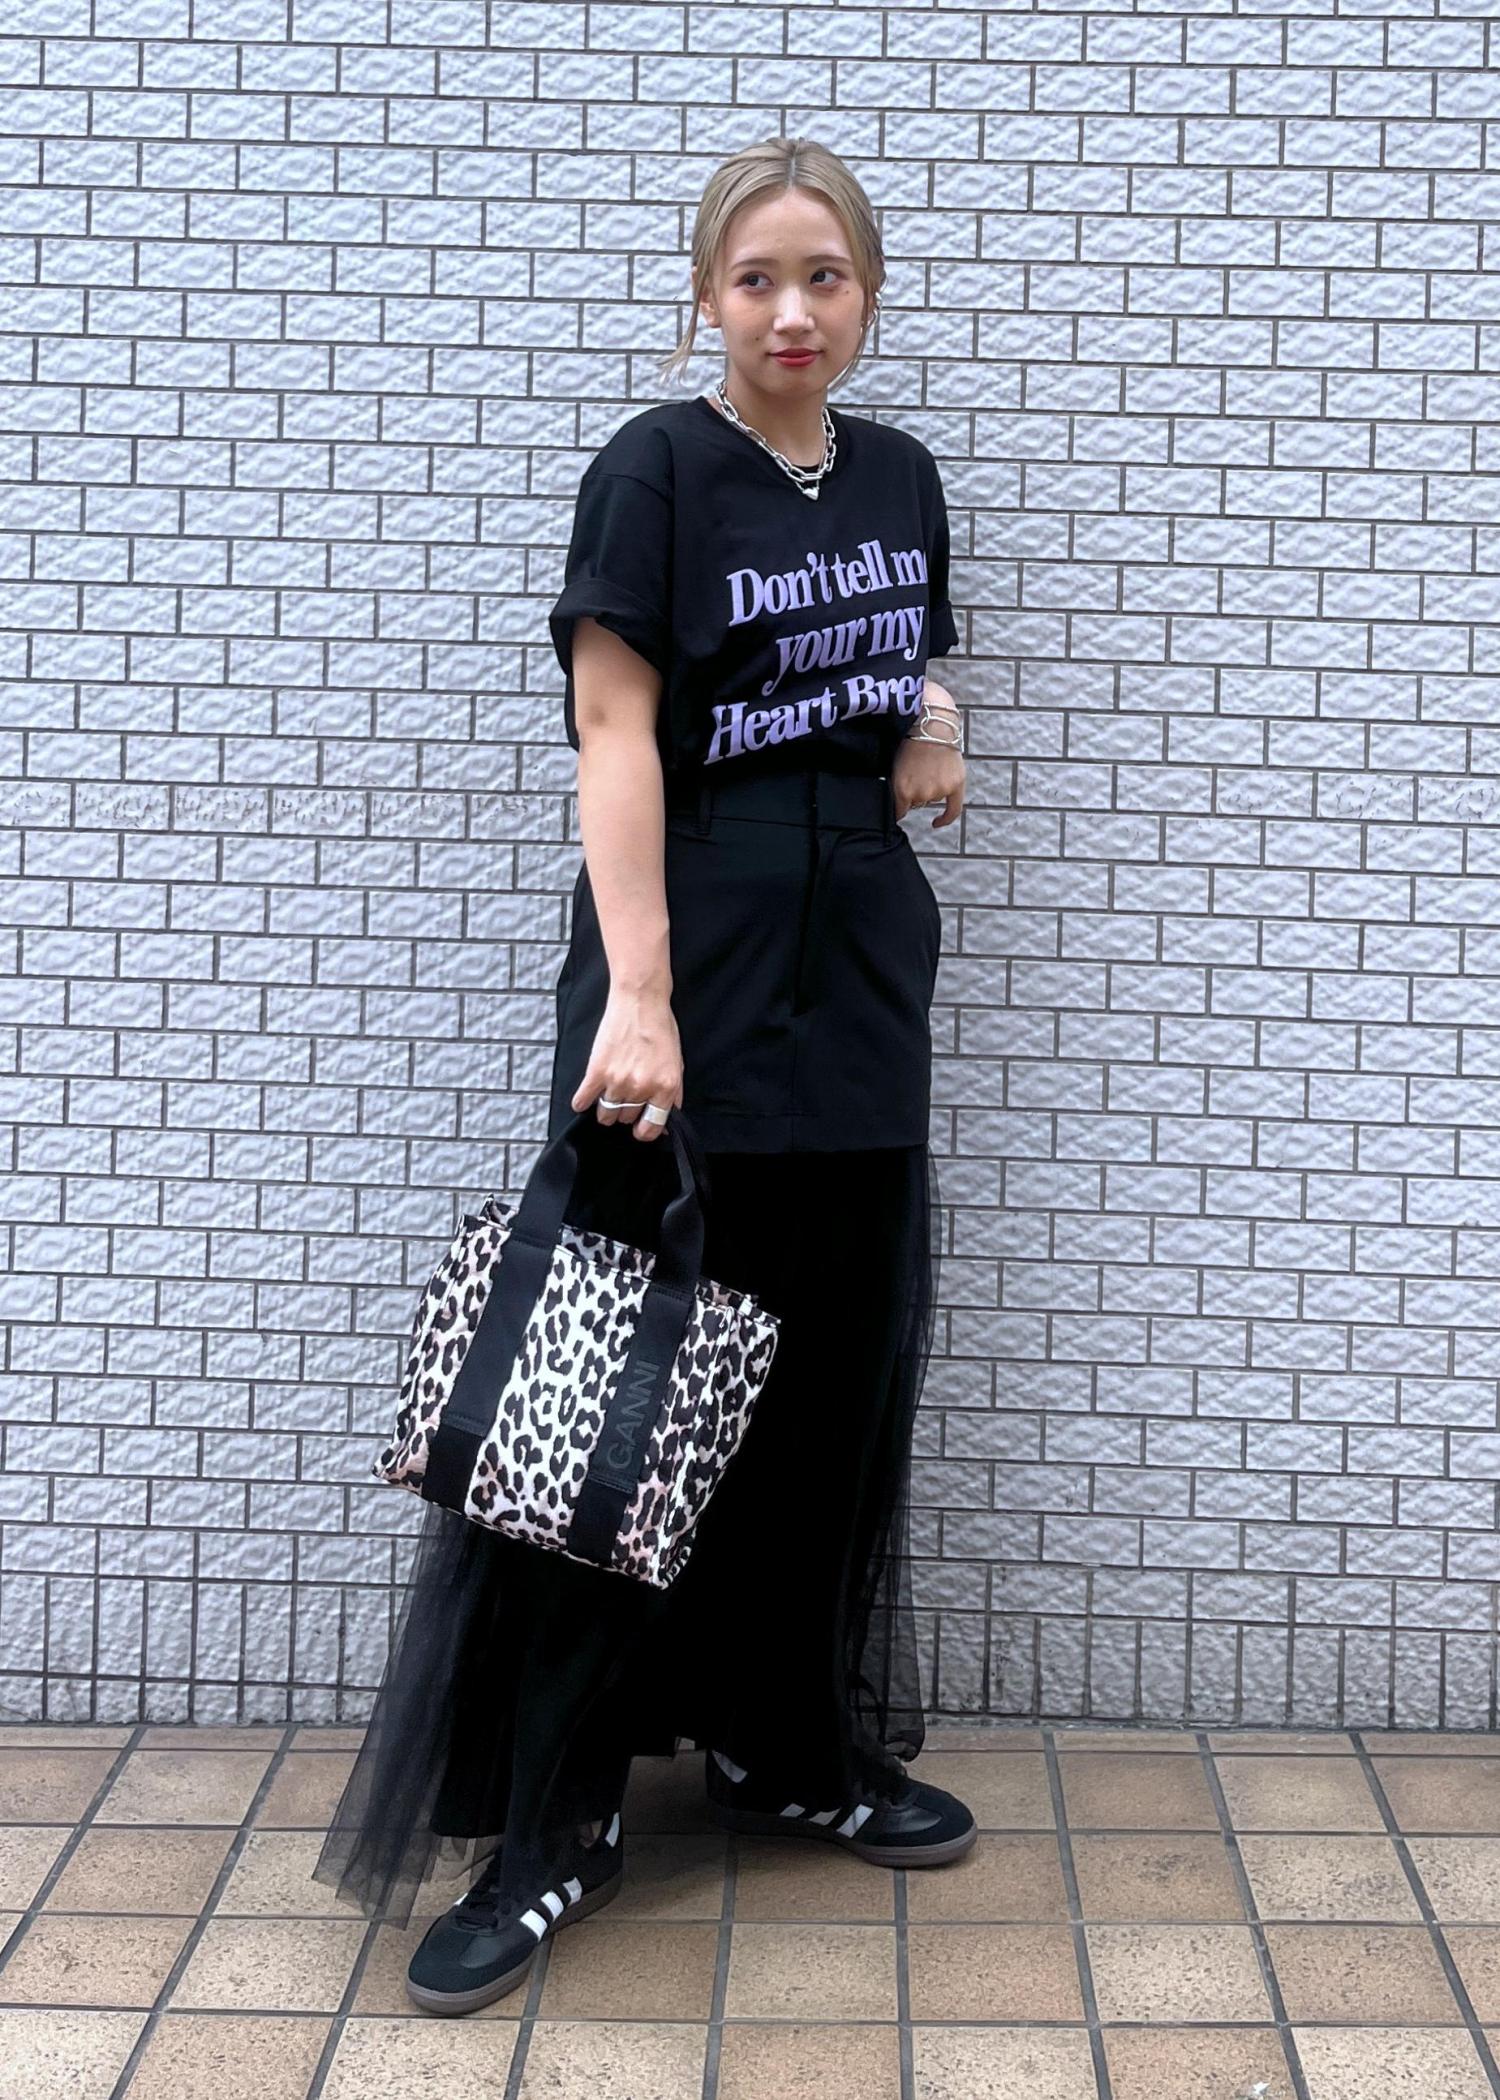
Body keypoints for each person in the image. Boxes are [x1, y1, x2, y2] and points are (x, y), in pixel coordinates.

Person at [311, 131, 976, 2019]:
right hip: (688, 957)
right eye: (758, 278)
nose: (793, 310)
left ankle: (782, 1745)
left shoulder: (902, 476)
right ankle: (555, 1823)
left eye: (824, 277)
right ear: (707, 296)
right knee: (617, 1386)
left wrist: (936, 716)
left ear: (867, 295)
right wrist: (641, 994)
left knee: (827, 1382)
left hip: (861, 968)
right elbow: (615, 730)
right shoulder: (656, 469)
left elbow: (896, 664)